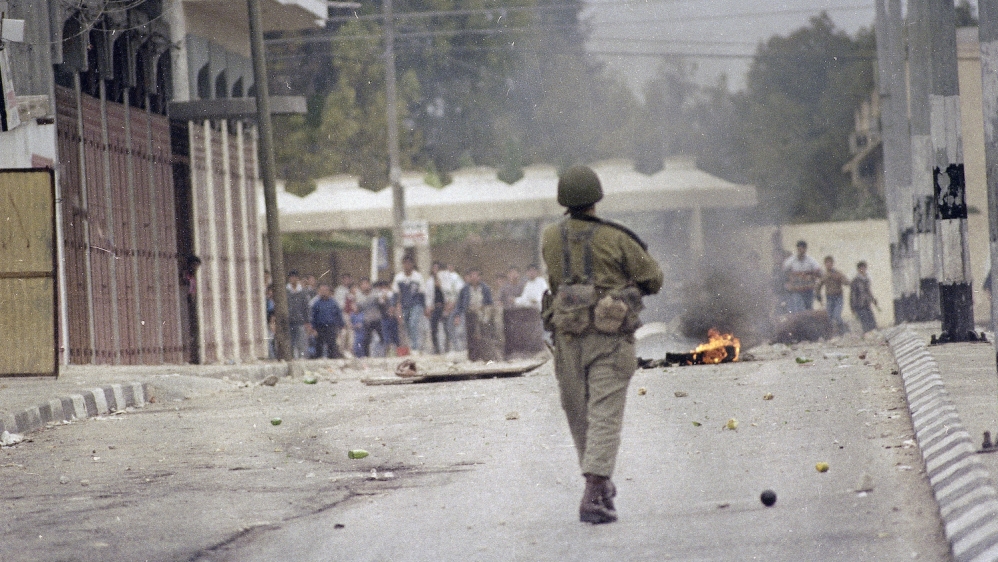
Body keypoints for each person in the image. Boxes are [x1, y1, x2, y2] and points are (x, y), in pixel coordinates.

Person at [542, 165, 663, 525]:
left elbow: (553, 279)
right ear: (597, 198)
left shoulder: (550, 237)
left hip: (566, 337)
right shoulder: (617, 237)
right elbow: (653, 278)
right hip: (609, 338)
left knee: (578, 412)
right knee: (604, 413)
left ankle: (598, 481)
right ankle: (594, 491)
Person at [455, 268, 501, 361]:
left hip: (482, 314)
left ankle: (485, 356)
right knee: (471, 336)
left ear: (480, 277)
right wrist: (457, 315)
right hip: (470, 314)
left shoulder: (485, 288)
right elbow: (459, 304)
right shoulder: (465, 289)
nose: (474, 278)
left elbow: (489, 302)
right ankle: (472, 357)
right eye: (472, 275)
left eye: (476, 275)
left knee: (484, 335)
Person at [393, 256, 426, 353]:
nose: (407, 265)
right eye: (405, 263)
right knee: (407, 325)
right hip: (404, 305)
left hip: (416, 304)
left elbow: (422, 293)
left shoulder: (418, 276)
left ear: (412, 264)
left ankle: (415, 347)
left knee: (413, 323)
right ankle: (411, 345)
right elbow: (396, 294)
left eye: (409, 263)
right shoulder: (398, 278)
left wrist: (424, 307)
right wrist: (396, 306)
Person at [782, 240, 822, 313]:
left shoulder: (811, 261)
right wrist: (789, 280)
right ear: (797, 249)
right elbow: (784, 271)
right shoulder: (791, 261)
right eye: (799, 249)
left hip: (808, 290)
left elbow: (819, 272)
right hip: (796, 290)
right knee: (799, 310)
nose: (801, 251)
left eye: (803, 249)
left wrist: (811, 276)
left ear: (805, 249)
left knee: (809, 309)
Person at [815, 255, 849, 335]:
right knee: (829, 317)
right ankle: (831, 334)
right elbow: (818, 286)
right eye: (827, 263)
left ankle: (843, 331)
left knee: (837, 315)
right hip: (829, 297)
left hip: (838, 297)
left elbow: (846, 282)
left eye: (830, 263)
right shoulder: (824, 275)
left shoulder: (838, 273)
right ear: (825, 264)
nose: (828, 265)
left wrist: (840, 279)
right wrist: (818, 296)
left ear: (832, 263)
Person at [309, 283, 344, 358]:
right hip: (320, 327)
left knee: (332, 345)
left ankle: (332, 360)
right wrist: (313, 328)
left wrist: (341, 326)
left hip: (331, 327)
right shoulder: (316, 303)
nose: (324, 292)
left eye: (325, 290)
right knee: (319, 345)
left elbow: (338, 315)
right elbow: (313, 317)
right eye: (322, 290)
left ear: (329, 291)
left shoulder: (333, 303)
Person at [439, 263, 465, 352]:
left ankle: (460, 349)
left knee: (458, 330)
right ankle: (456, 348)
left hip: (457, 307)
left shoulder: (455, 278)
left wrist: (453, 304)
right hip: (449, 308)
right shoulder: (443, 279)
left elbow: (459, 295)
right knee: (449, 328)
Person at [354, 277, 382, 357]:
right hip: (367, 320)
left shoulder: (375, 293)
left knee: (381, 337)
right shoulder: (359, 296)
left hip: (377, 318)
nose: (365, 286)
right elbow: (358, 308)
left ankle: (383, 355)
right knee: (366, 339)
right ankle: (367, 356)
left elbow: (380, 302)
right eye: (363, 284)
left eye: (367, 283)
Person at [286, 270, 311, 359]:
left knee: (301, 342)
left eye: (295, 277)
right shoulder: (286, 291)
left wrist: (307, 321)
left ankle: (302, 358)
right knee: (290, 343)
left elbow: (306, 307)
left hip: (300, 321)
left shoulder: (303, 292)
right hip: (288, 321)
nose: (293, 279)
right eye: (291, 277)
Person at [424, 262, 447, 354]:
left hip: (444, 306)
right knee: (434, 329)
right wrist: (428, 307)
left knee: (445, 329)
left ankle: (445, 348)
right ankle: (436, 349)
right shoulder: (429, 282)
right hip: (434, 307)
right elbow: (428, 296)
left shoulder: (445, 280)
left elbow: (447, 294)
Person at [850, 261, 878, 334]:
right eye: (861, 268)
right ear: (858, 270)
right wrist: (852, 307)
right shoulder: (855, 281)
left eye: (864, 268)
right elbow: (852, 295)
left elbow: (868, 292)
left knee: (872, 321)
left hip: (867, 304)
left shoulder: (867, 279)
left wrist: (873, 300)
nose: (862, 270)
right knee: (864, 322)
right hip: (859, 305)